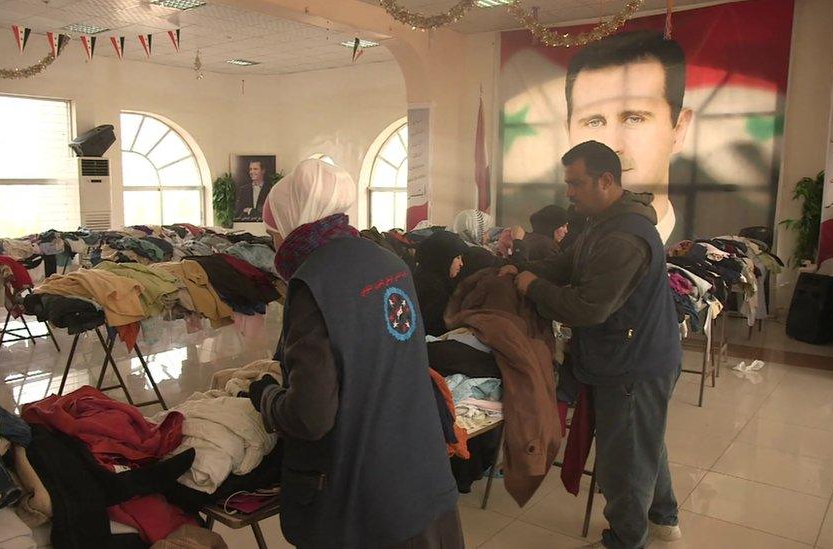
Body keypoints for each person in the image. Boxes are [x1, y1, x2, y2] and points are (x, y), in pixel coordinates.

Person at [246, 159, 463, 549]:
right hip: (420, 473)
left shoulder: (314, 281)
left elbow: (310, 416)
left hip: (365, 499)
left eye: (273, 232)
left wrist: (265, 395)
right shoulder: (387, 260)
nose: (274, 244)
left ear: (294, 222)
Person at [503, 141, 681, 549]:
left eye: (576, 183)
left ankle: (626, 538)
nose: (569, 192)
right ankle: (664, 519)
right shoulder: (600, 222)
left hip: (633, 360)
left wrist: (533, 287)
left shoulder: (625, 236)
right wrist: (525, 268)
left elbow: (589, 307)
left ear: (606, 180)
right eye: (567, 183)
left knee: (625, 458)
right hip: (628, 352)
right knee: (643, 440)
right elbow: (568, 265)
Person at [565, 30, 693, 243]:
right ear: (567, 133)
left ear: (678, 130)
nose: (612, 146)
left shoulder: (707, 263)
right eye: (594, 122)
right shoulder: (564, 246)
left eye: (634, 118)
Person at [413, 231, 470, 337]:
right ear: (444, 257)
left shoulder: (420, 279)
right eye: (457, 257)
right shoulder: (435, 292)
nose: (461, 263)